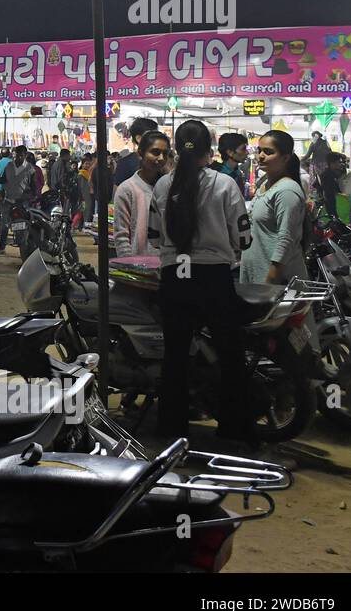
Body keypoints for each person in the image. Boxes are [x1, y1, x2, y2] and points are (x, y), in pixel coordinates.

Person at [147, 120, 251, 442]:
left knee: (175, 356)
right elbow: (244, 239)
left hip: (176, 275)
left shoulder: (163, 185)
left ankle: (171, 430)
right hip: (213, 277)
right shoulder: (224, 185)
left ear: (177, 148)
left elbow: (153, 238)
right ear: (210, 148)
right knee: (230, 356)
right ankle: (233, 430)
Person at [241, 130, 309, 285]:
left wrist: (270, 282)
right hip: (258, 279)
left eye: (268, 152)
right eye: (259, 150)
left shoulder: (286, 191)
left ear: (285, 158)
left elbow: (286, 241)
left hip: (276, 285)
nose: (261, 156)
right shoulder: (265, 185)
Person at [113, 131, 169, 257]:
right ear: (140, 154)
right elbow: (121, 237)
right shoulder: (127, 190)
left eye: (165, 154)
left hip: (169, 265)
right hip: (140, 268)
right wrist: (130, 268)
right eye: (155, 152)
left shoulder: (171, 187)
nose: (161, 158)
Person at [0, 145, 32, 254]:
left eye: (20, 156)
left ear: (25, 155)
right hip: (8, 200)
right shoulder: (9, 166)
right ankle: (2, 248)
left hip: (22, 201)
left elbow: (34, 187)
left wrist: (30, 196)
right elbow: (3, 180)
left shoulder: (30, 169)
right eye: (15, 156)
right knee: (5, 225)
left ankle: (25, 247)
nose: (17, 158)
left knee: (24, 225)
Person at [112, 117, 160, 188]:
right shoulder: (126, 163)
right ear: (139, 139)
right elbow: (117, 194)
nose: (158, 139)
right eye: (153, 135)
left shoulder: (161, 160)